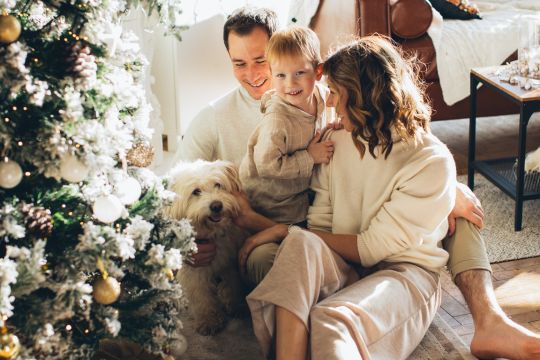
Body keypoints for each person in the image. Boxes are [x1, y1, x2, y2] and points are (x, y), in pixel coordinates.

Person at [177, 6, 540, 359]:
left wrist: (449, 190)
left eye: (262, 61)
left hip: (373, 253)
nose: (256, 73)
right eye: (240, 63)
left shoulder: (323, 106)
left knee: (330, 310)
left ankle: (490, 322)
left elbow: (379, 218)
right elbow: (174, 196)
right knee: (290, 251)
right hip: (302, 237)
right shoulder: (216, 119)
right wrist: (189, 244)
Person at [239, 26, 334, 225]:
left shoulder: (325, 96)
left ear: (318, 72)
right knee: (295, 238)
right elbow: (267, 165)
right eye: (281, 76)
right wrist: (310, 156)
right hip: (273, 202)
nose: (290, 84)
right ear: (271, 75)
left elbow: (336, 115)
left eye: (299, 73)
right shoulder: (277, 119)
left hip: (304, 191)